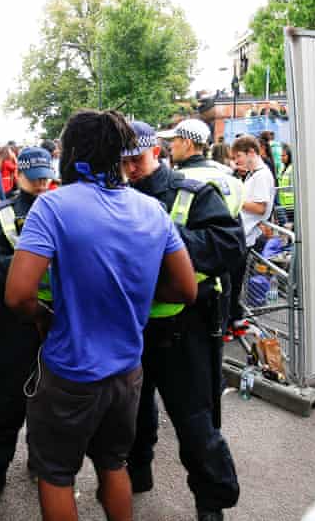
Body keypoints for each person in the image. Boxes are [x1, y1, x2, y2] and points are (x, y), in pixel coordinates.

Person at [5, 110, 197, 521]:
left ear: (70, 154)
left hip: (70, 371)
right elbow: (186, 289)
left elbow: (18, 295)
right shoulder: (152, 210)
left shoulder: (52, 207)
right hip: (128, 371)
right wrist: (135, 297)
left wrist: (42, 317)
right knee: (114, 464)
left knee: (57, 474)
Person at [126, 120, 245, 521]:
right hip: (132, 329)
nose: (129, 168)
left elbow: (229, 246)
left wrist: (167, 235)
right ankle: (137, 471)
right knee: (132, 414)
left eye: (136, 159)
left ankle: (211, 504)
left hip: (186, 331)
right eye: (121, 161)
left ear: (155, 152)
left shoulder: (192, 193)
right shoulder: (114, 196)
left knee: (196, 424)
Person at [0, 146, 53, 519]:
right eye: (34, 176)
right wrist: (28, 270)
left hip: (57, 321)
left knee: (50, 400)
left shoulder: (62, 208)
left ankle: (40, 459)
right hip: (13, 322)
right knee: (6, 402)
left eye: (45, 176)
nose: (41, 183)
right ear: (18, 175)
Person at [228, 134, 275, 336]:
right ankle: (234, 320)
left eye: (238, 155)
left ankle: (232, 322)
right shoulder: (255, 174)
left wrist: (233, 200)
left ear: (251, 153)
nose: (236, 160)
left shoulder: (262, 175)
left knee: (233, 283)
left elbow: (260, 206)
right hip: (242, 235)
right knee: (233, 283)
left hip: (244, 238)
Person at [277, 144, 294, 225]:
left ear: (289, 156)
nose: (281, 158)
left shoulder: (292, 168)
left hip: (292, 206)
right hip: (284, 205)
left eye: (284, 156)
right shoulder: (282, 168)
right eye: (281, 156)